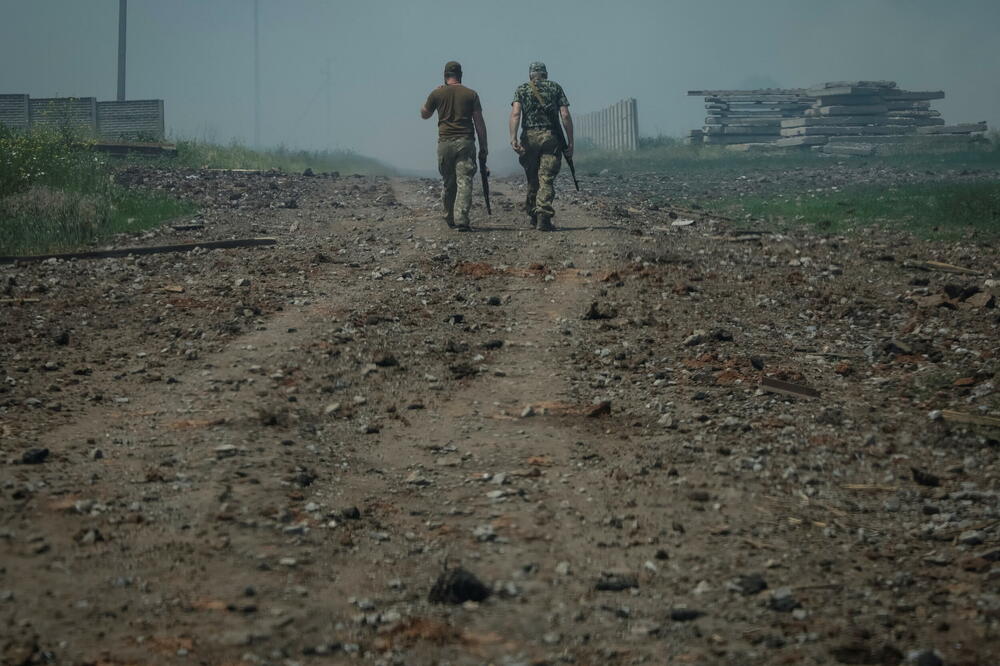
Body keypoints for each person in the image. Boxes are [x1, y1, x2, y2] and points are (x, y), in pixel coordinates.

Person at [420, 61, 488, 231]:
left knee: (449, 182)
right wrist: (484, 146)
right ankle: (462, 220)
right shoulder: (471, 94)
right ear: (460, 75)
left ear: (445, 76)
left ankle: (449, 217)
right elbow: (479, 122)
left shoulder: (437, 93)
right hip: (465, 142)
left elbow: (424, 114)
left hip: (444, 143)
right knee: (464, 181)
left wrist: (435, 94)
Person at [509, 61, 573, 231]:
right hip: (550, 137)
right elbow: (565, 115)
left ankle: (532, 214)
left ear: (530, 74)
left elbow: (516, 113)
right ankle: (543, 216)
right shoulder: (555, 88)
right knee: (546, 178)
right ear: (545, 73)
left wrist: (513, 138)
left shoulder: (522, 89)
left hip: (529, 137)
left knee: (532, 177)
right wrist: (570, 141)